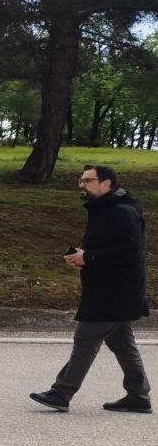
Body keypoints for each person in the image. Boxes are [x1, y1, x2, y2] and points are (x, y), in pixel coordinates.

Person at [30, 165, 151, 414]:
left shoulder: (123, 212)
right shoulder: (106, 209)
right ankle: (138, 396)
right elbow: (109, 246)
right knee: (123, 344)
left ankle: (62, 392)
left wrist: (89, 257)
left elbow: (129, 252)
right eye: (81, 180)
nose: (81, 185)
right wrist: (82, 257)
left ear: (106, 184)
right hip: (110, 288)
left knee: (86, 339)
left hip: (115, 291)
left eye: (87, 180)